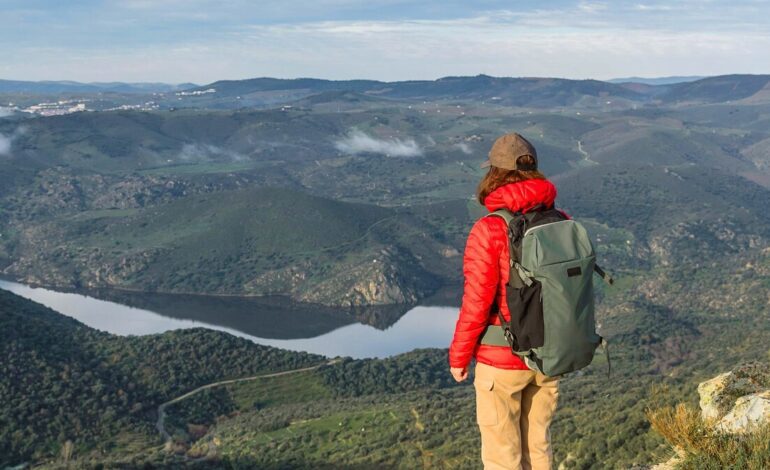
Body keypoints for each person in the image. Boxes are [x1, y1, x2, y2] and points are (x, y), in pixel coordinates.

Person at [449, 132, 561, 470]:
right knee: (538, 449)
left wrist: (459, 355)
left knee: (503, 456)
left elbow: (477, 301)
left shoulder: (490, 228)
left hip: (502, 361)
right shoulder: (560, 221)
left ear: (494, 174)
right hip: (550, 356)